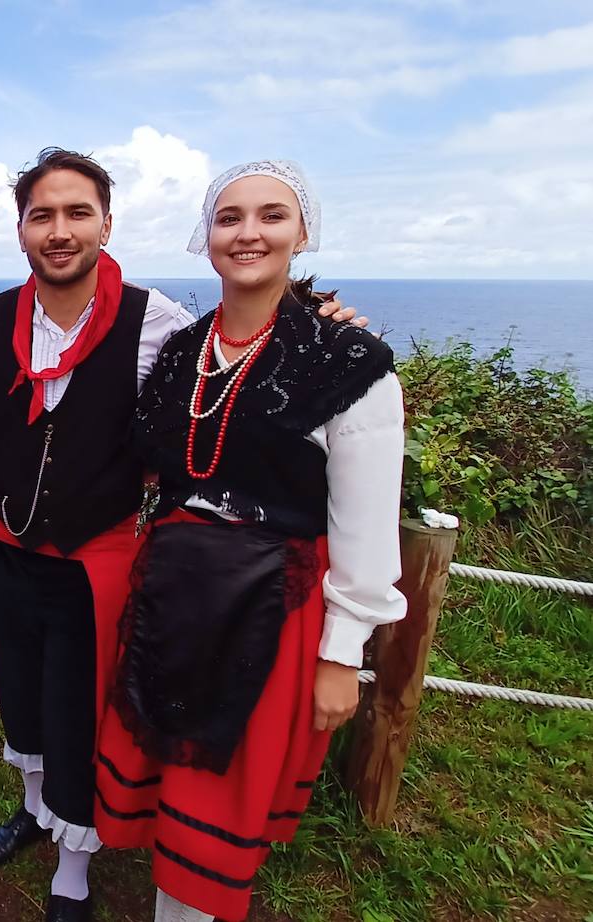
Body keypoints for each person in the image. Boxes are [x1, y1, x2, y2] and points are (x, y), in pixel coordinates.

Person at [0, 149, 365, 922]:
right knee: (28, 706)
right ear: (21, 229)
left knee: (80, 713)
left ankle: (76, 861)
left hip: (96, 562)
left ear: (107, 222)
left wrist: (317, 317)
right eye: (43, 214)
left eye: (78, 213)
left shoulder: (161, 323)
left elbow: (230, 368)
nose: (60, 230)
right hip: (6, 550)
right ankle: (37, 814)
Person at [92, 160, 405, 922]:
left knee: (218, 804)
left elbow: (363, 525)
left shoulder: (349, 364)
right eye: (230, 218)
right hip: (170, 600)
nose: (249, 233)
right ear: (208, 238)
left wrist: (341, 655)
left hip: (272, 609)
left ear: (304, 233)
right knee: (171, 781)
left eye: (271, 215)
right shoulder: (181, 353)